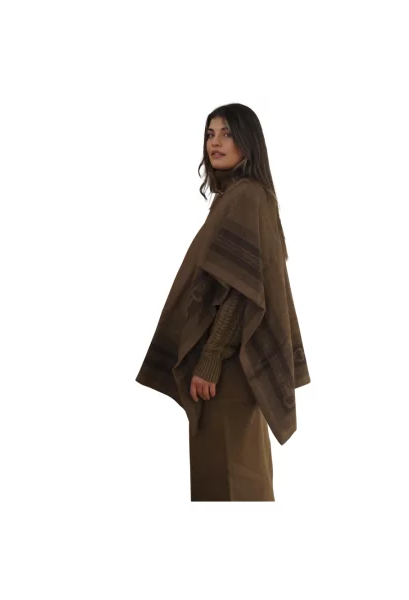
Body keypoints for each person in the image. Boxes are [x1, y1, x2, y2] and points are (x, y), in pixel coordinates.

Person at [135, 103, 311, 501]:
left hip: (227, 368)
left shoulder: (246, 196)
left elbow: (241, 291)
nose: (215, 142)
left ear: (248, 142)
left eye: (227, 133)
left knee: (232, 480)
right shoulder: (239, 195)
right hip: (231, 365)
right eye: (210, 134)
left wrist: (211, 358)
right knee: (230, 473)